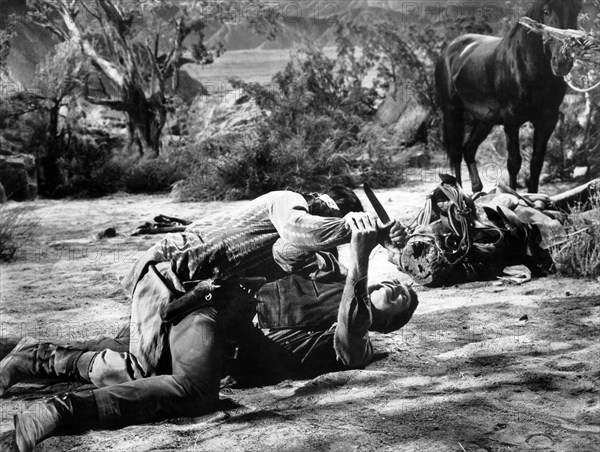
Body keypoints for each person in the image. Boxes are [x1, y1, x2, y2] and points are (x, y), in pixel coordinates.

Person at [0, 193, 414, 451]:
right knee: (194, 391)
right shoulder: (313, 248)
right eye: (398, 283)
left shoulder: (361, 344)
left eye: (407, 299)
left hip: (197, 311)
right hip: (196, 296)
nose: (401, 287)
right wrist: (356, 231)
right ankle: (58, 411)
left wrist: (362, 252)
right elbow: (296, 238)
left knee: (136, 371)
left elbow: (351, 333)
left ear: (392, 323)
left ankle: (32, 358)